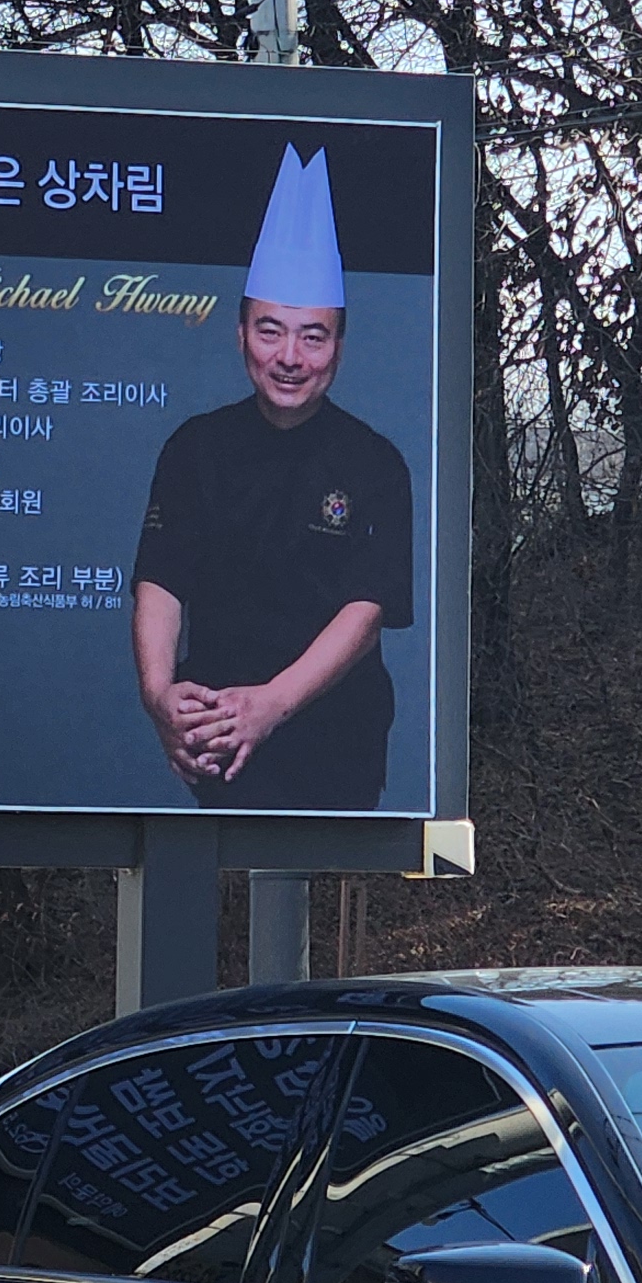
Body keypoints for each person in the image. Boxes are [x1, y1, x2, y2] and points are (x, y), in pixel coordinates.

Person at [131, 147, 417, 810]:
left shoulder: (375, 463)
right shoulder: (193, 448)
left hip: (337, 748)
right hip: (215, 743)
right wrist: (158, 695)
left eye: (312, 337)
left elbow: (367, 612)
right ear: (240, 335)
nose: (290, 357)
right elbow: (161, 580)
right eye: (270, 332)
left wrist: (271, 705)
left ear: (338, 348)